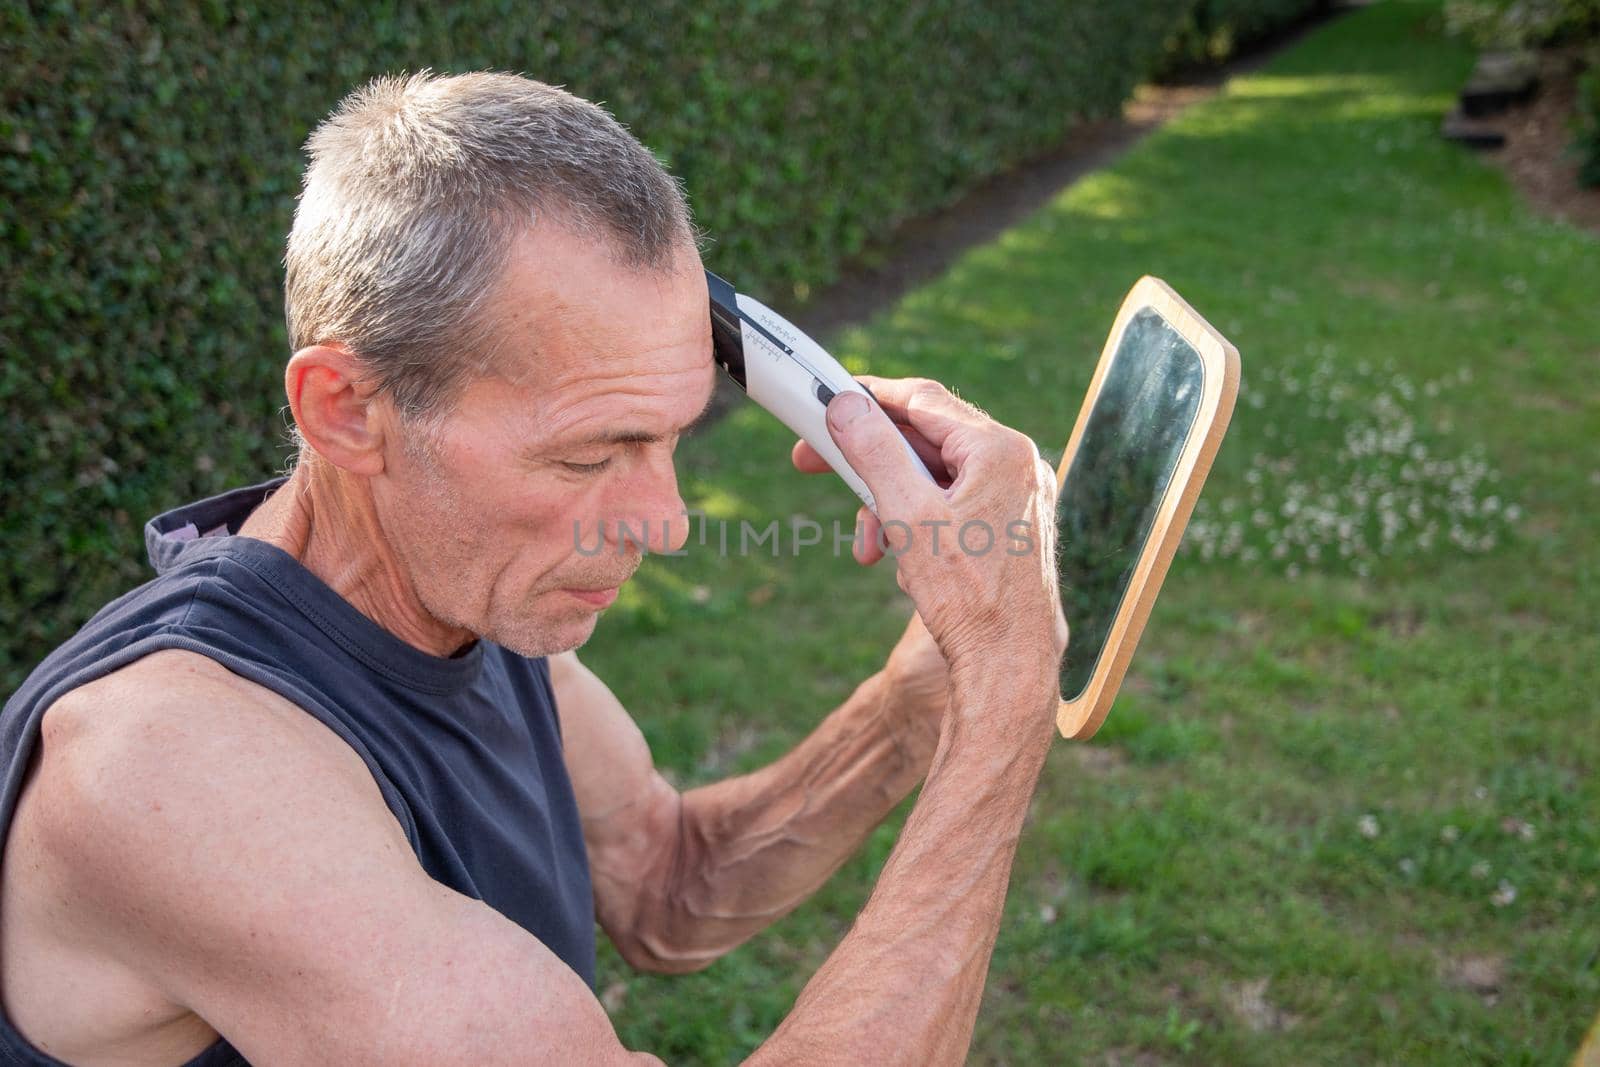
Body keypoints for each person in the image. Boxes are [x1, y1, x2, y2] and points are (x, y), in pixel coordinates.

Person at [0, 71, 1067, 1066]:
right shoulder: (179, 773)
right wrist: (1004, 698)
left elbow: (667, 884)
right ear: (346, 409)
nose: (667, 522)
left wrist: (917, 701)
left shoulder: (461, 597)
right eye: (590, 452)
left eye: (669, 438)